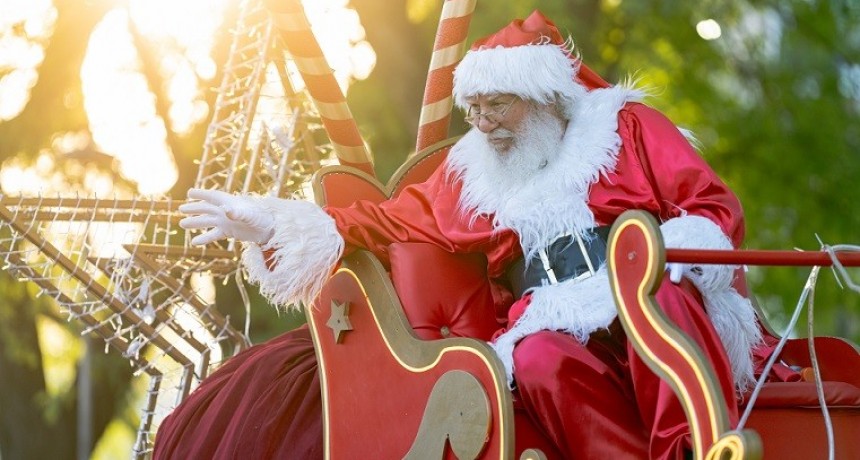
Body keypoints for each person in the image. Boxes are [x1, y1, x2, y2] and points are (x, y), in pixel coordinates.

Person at [155, 10, 790, 459]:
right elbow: (383, 220)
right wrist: (268, 219)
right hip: (556, 317)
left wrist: (673, 258)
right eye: (474, 111)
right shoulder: (477, 176)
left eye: (497, 107)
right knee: (537, 356)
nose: (482, 125)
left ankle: (692, 449)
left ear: (541, 96)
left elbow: (709, 204)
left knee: (660, 301)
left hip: (650, 284)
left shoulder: (625, 127)